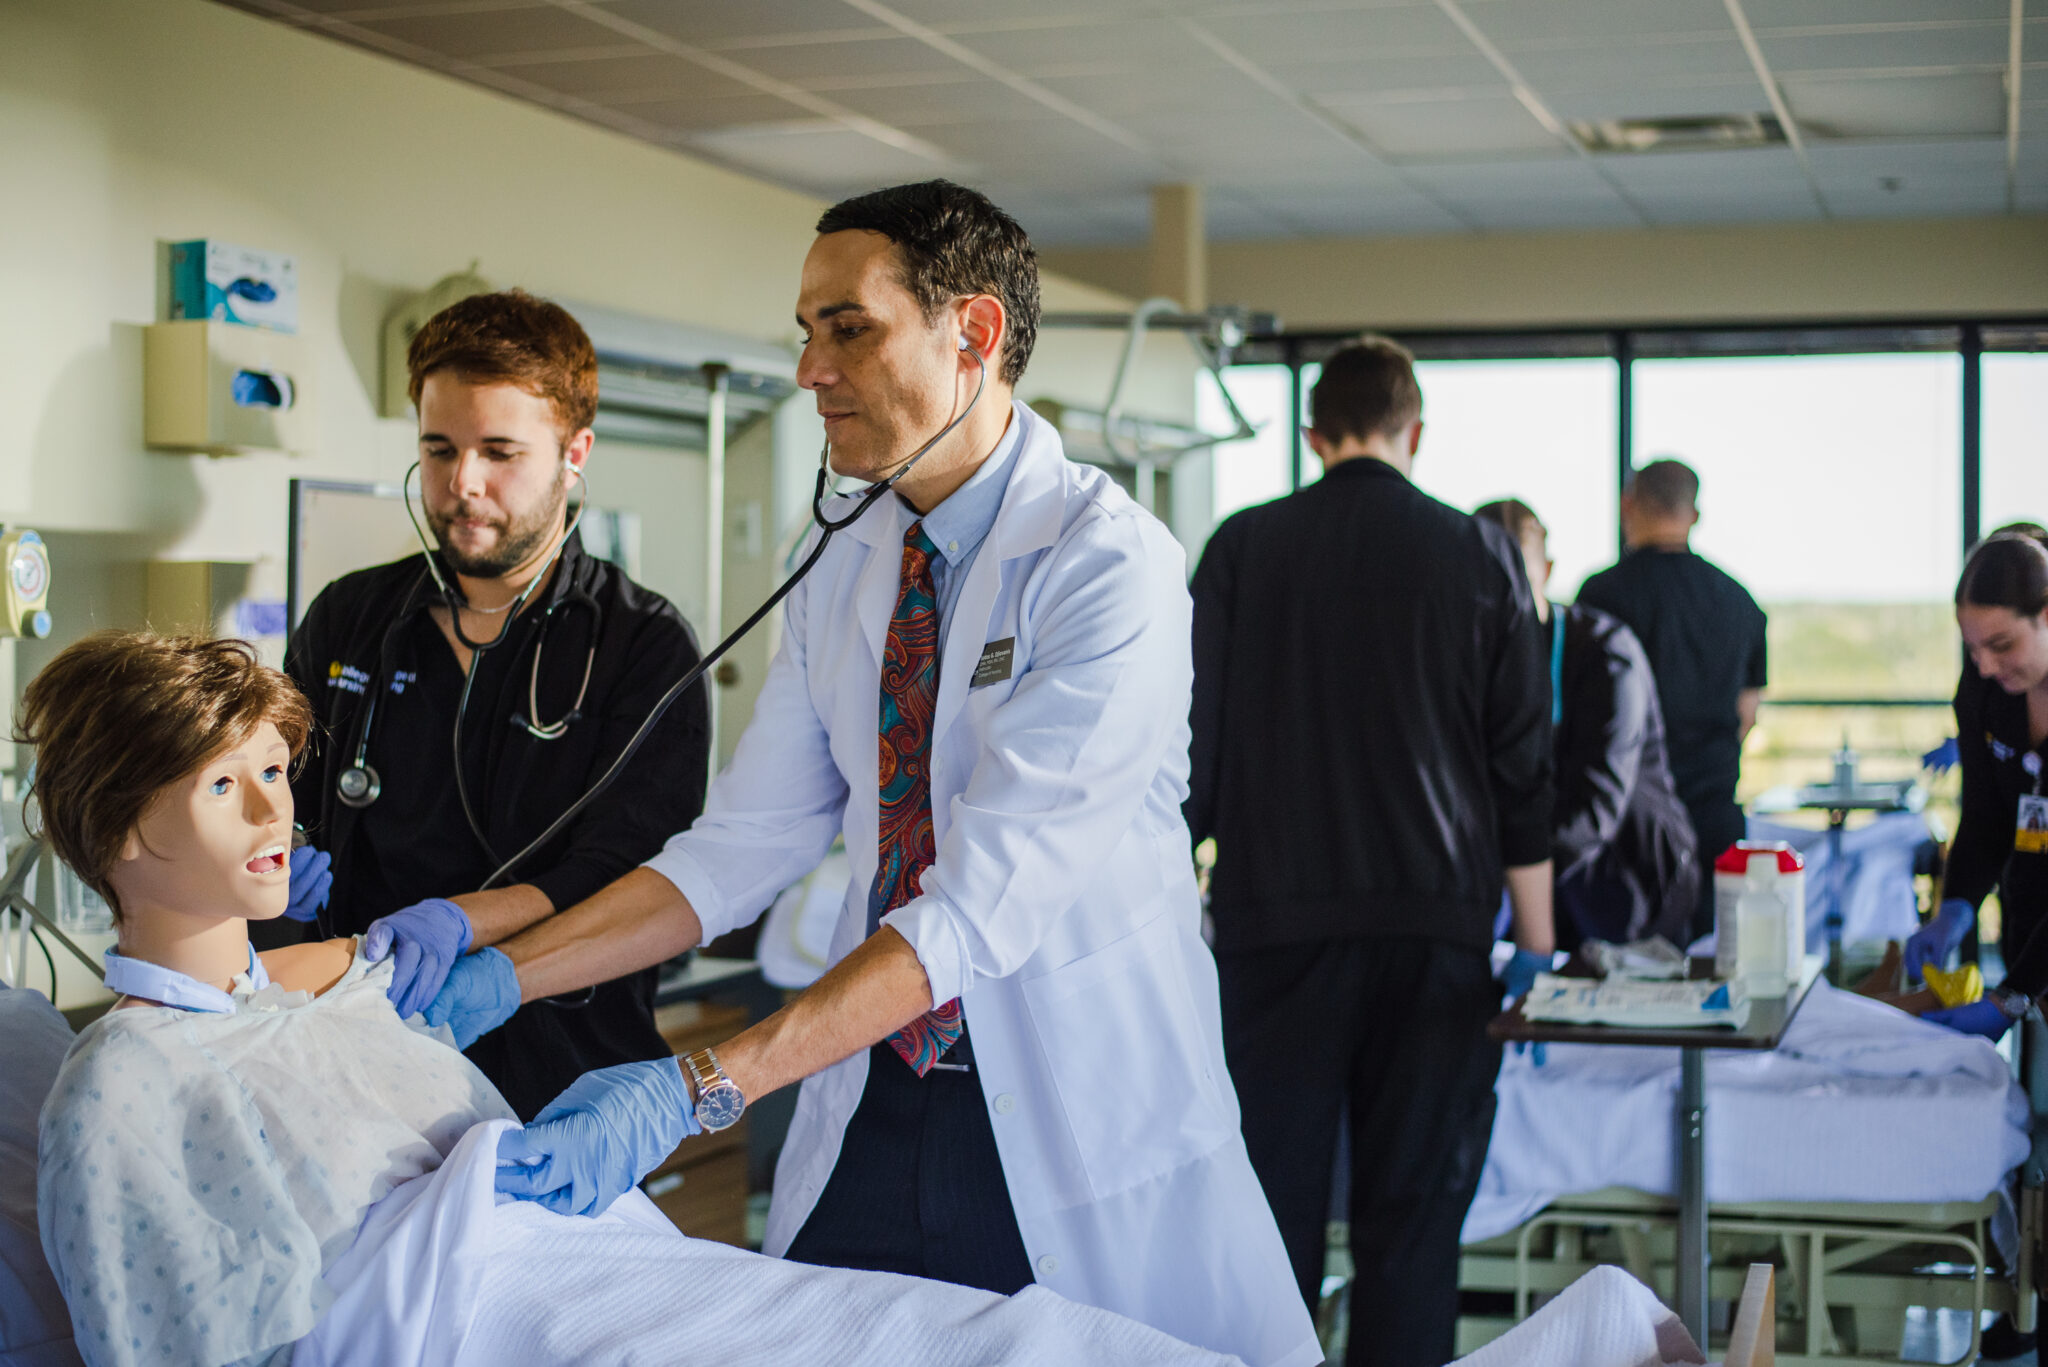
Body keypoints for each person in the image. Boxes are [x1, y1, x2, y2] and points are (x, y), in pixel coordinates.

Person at [421, 181, 1316, 1367]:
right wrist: (503, 978)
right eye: (804, 331)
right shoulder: (841, 560)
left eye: (848, 327)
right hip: (872, 1098)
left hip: (1067, 1112)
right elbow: (740, 844)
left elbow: (979, 905)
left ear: (974, 334)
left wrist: (693, 1087)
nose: (809, 369)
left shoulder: (1107, 564)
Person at [25, 632, 1240, 1367]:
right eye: (225, 783)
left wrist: (462, 949)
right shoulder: (120, 1083)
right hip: (487, 1320)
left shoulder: (328, 991)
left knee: (977, 1340)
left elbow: (300, 985)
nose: (275, 811)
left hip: (621, 1279)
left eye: (280, 773)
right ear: (121, 819)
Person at [1185, 336, 1555, 1367]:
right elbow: (1520, 766)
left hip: (1271, 933)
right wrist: (1536, 944)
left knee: (1268, 1219)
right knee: (1410, 1229)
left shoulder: (1240, 548)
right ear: (1416, 430)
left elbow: (1190, 754)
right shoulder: (1478, 553)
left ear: (1312, 434)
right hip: (1430, 937)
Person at [276, 289, 710, 1119]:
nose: (461, 483)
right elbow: (276, 785)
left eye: (499, 451)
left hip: (560, 1068)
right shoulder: (352, 617)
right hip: (362, 1056)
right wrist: (270, 854)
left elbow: (626, 868)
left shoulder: (641, 646)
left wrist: (460, 922)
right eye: (438, 449)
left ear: (574, 452)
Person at [1477, 498, 1697, 948]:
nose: (1499, 603)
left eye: (1516, 583)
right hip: (1539, 886)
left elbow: (1596, 806)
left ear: (1548, 571)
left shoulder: (1605, 653)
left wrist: (1504, 871)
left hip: (1629, 880)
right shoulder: (1475, 657)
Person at [1578, 458, 1766, 936]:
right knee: (1716, 965)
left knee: (1621, 976)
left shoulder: (1600, 596)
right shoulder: (1739, 601)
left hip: (1625, 822)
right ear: (1694, 514)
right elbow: (1746, 714)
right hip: (1714, 811)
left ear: (1628, 506)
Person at [1907, 528, 2048, 1037]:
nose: (1986, 665)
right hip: (2029, 935)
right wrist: (1956, 905)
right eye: (1972, 649)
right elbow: (1986, 815)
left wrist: (2011, 997)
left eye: (2002, 644)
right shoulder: (1986, 691)